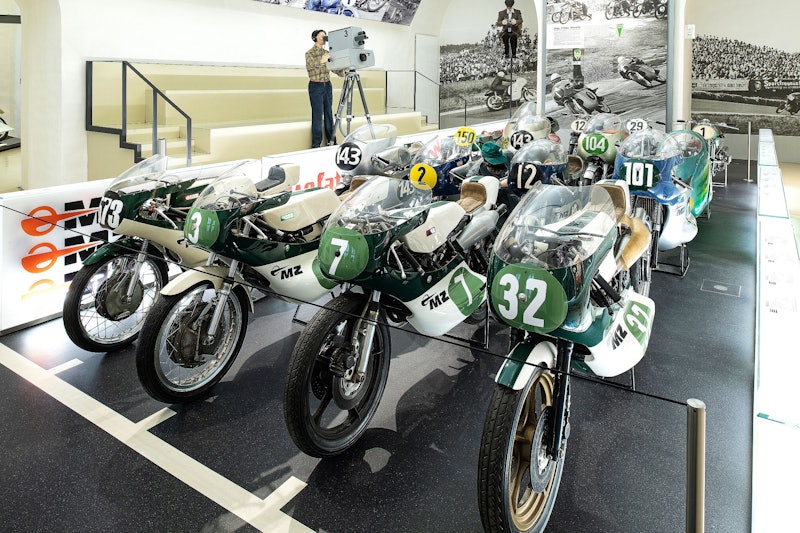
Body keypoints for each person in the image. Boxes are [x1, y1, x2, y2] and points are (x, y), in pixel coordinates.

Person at [305, 29, 337, 148]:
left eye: (325, 35)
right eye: (322, 35)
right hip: (316, 86)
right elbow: (311, 67)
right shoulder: (309, 53)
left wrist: (343, 72)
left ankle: (332, 141)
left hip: (327, 85)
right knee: (317, 115)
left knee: (329, 114)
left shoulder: (327, 53)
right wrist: (322, 60)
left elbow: (333, 67)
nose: (324, 37)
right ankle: (316, 145)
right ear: (315, 38)